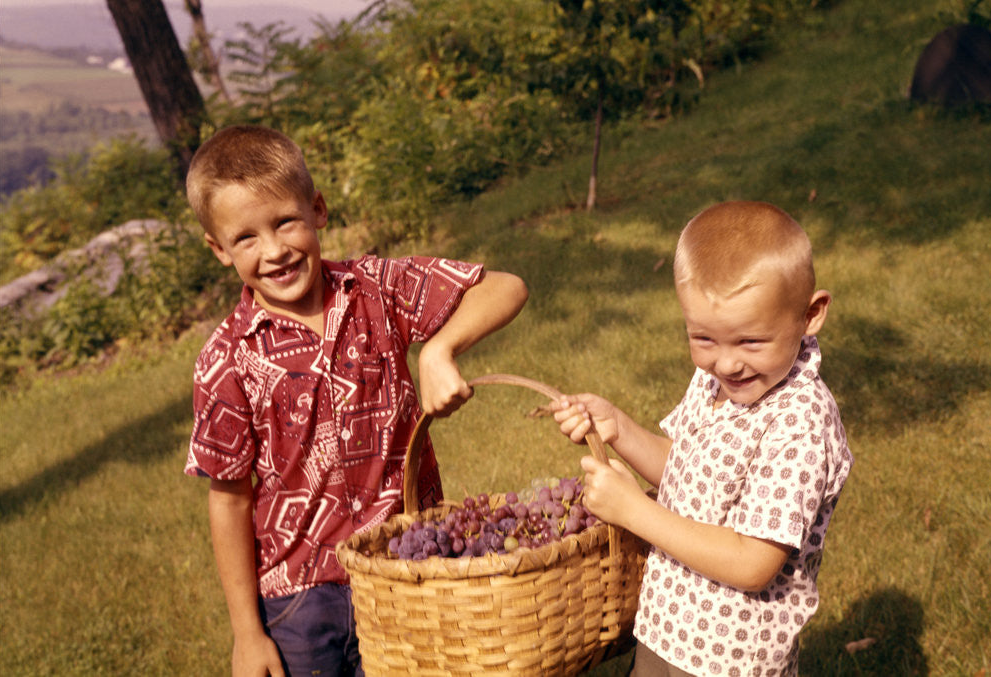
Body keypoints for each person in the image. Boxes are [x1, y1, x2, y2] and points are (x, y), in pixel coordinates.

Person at [183, 124, 529, 676]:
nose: (274, 251)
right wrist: (248, 634)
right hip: (300, 600)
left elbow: (505, 287)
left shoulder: (376, 290)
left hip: (407, 563)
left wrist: (437, 351)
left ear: (318, 209)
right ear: (219, 249)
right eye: (246, 238)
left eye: (285, 222)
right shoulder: (225, 359)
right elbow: (229, 500)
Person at [552, 201, 853, 676]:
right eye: (704, 339)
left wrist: (635, 511)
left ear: (810, 314)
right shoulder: (715, 378)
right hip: (666, 626)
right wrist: (619, 429)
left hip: (728, 657)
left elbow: (752, 561)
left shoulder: (801, 422)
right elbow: (687, 472)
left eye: (751, 341)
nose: (727, 362)